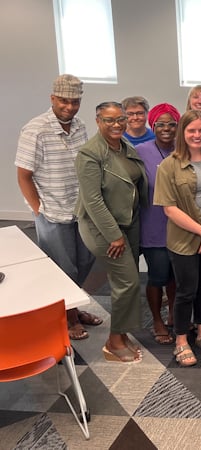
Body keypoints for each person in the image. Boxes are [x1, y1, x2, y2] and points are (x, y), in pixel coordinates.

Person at [15, 74, 99, 341]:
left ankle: (71, 305)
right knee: (63, 267)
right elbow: (24, 175)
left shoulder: (81, 125)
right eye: (64, 101)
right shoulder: (35, 129)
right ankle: (69, 317)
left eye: (75, 101)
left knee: (85, 260)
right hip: (52, 212)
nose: (70, 107)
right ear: (53, 98)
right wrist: (38, 210)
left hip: (79, 209)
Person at [75, 101, 148, 363]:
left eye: (121, 119)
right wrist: (113, 235)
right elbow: (92, 201)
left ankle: (122, 334)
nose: (117, 124)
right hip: (102, 228)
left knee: (125, 283)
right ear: (97, 121)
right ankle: (113, 343)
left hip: (128, 222)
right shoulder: (89, 153)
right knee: (127, 281)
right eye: (109, 120)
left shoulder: (124, 146)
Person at [154, 110, 201, 367]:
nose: (197, 135)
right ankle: (182, 340)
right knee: (186, 291)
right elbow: (169, 209)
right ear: (182, 133)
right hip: (184, 239)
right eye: (191, 130)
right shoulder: (169, 166)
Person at [137, 103, 181, 345]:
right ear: (152, 126)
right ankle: (156, 319)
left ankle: (174, 312)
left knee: (175, 276)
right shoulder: (140, 151)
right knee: (157, 275)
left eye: (171, 124)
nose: (166, 128)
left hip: (181, 225)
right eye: (160, 124)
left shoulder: (184, 149)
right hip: (153, 225)